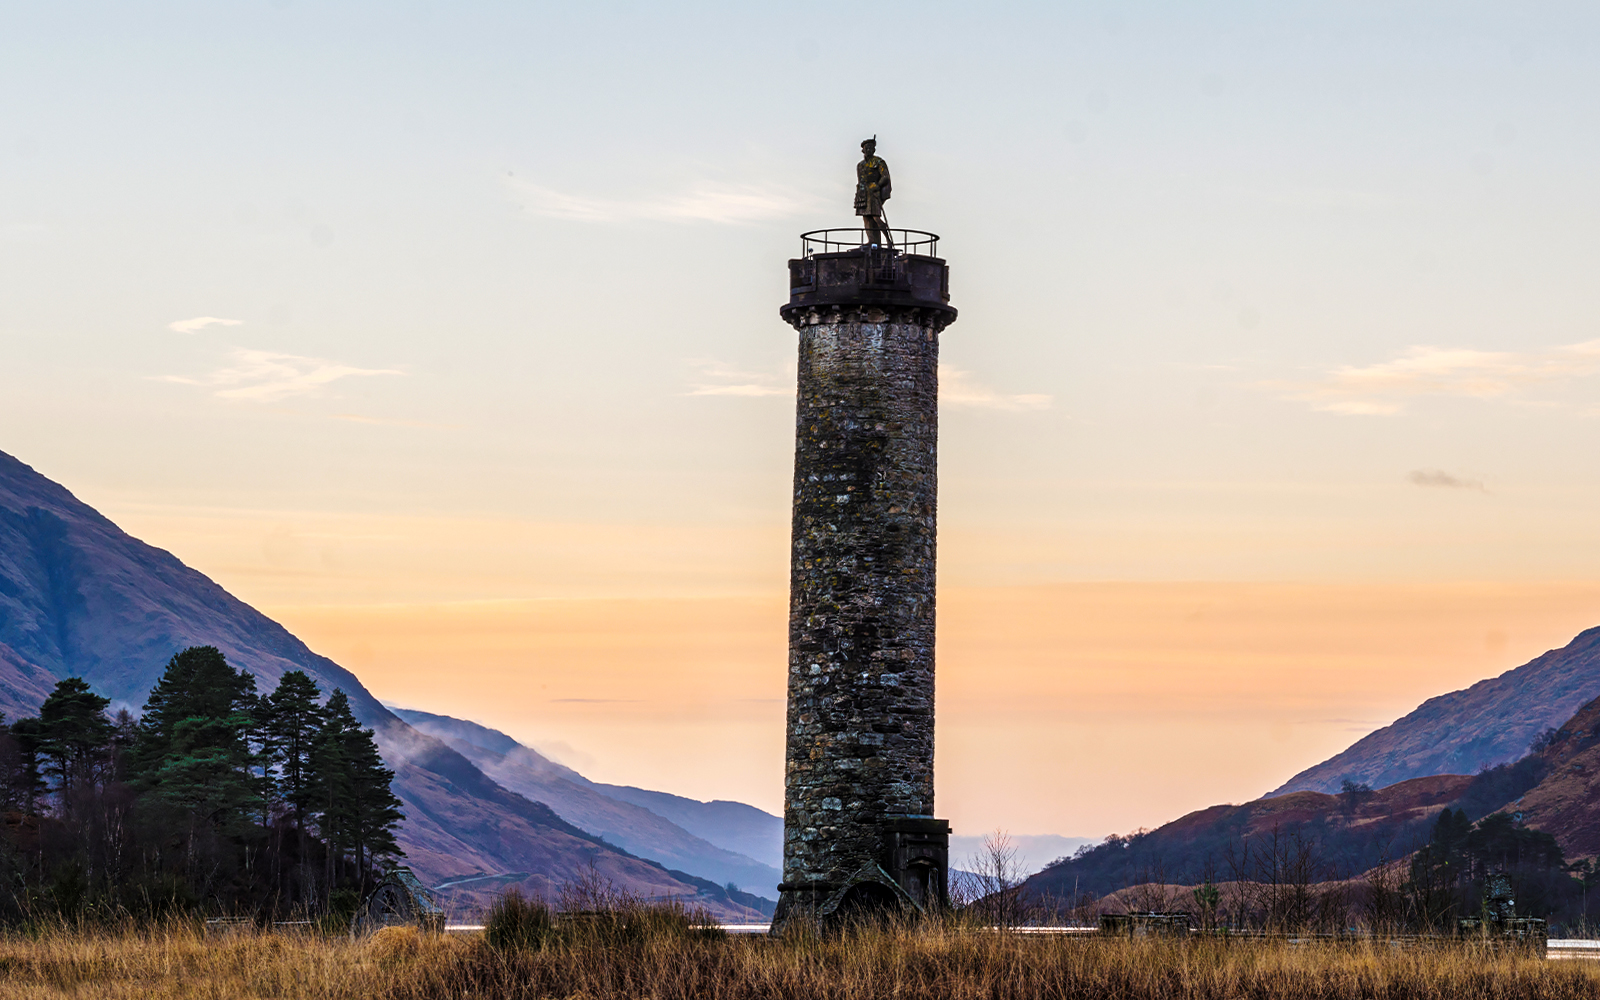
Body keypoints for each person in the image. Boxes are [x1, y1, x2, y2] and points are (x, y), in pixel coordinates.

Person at [854, 138, 892, 248]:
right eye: (867, 148)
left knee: (876, 216)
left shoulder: (879, 162)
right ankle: (871, 240)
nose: (869, 150)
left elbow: (885, 177)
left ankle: (888, 240)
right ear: (863, 150)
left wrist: (878, 186)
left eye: (871, 148)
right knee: (866, 217)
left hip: (874, 191)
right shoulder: (860, 165)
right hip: (863, 192)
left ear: (874, 149)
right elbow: (859, 179)